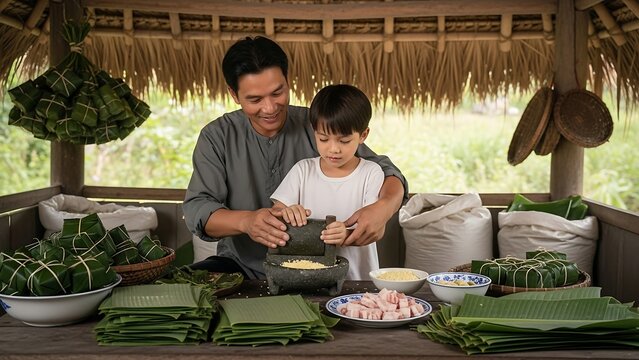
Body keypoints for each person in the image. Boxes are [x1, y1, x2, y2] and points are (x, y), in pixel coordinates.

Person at [183, 36, 408, 279]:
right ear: (234, 94)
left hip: (313, 267)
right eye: (255, 99)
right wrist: (247, 221)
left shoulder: (320, 126)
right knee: (182, 284)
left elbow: (386, 171)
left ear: (288, 82)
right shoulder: (217, 136)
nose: (269, 108)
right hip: (242, 266)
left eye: (277, 92)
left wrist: (382, 208)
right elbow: (199, 209)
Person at [270, 84, 383, 280]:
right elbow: (276, 214)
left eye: (344, 141)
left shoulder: (370, 173)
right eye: (323, 139)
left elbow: (374, 228)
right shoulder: (303, 170)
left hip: (357, 282)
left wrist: (346, 235)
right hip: (306, 278)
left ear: (363, 135)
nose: (333, 149)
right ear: (314, 132)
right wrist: (287, 213)